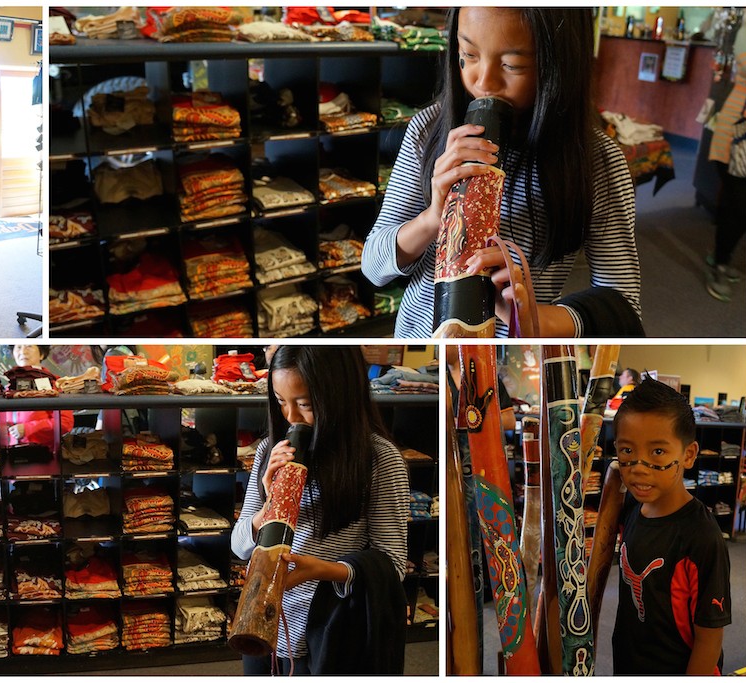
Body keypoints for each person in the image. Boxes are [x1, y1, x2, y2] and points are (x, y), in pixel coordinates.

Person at [362, 7, 642, 338]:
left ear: (561, 64)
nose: (483, 82)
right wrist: (433, 217)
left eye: (513, 65)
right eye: (468, 53)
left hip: (509, 362)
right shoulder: (429, 130)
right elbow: (373, 268)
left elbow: (623, 304)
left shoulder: (597, 162)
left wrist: (530, 315)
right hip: (422, 349)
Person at [230, 346, 409, 674]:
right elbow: (240, 547)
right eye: (281, 401)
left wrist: (321, 569)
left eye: (305, 404)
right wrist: (270, 503)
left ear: (341, 395)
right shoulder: (272, 450)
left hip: (331, 630)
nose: (291, 418)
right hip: (261, 623)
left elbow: (393, 564)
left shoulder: (380, 460)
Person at [611, 379, 731, 674]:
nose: (639, 466)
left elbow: (710, 637)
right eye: (627, 451)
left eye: (658, 453)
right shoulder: (631, 508)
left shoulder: (702, 537)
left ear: (688, 455)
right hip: (628, 662)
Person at [706, 13, 746, 302]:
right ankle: (719, 264)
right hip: (736, 132)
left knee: (740, 207)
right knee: (739, 206)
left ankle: (720, 257)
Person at [3, 344, 74, 446]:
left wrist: (28, 428)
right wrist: (0, 425)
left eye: (29, 346)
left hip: (44, 453)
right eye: (18, 347)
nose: (23, 351)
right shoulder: (9, 387)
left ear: (41, 354)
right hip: (11, 452)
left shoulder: (55, 384)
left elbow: (65, 422)